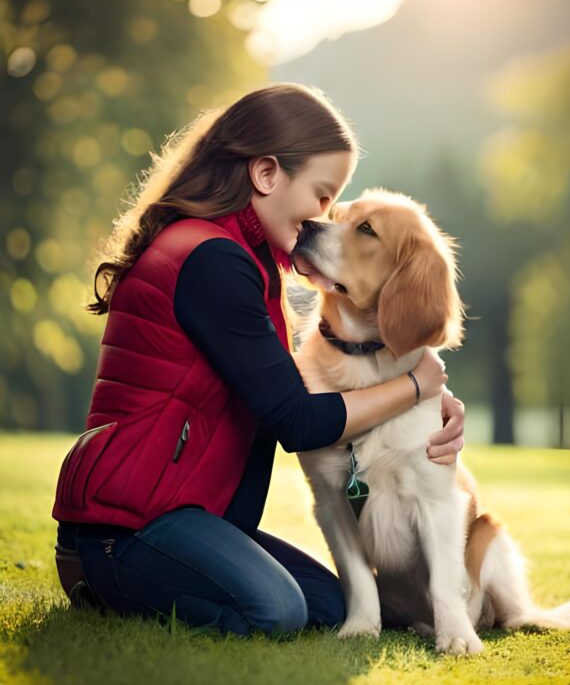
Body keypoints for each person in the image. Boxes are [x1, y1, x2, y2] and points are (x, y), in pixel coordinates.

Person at [52, 83, 467, 637]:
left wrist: (432, 404)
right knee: (277, 611)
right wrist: (416, 384)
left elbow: (305, 385)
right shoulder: (211, 260)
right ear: (266, 174)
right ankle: (108, 589)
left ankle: (150, 578)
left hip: (186, 514)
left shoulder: (241, 256)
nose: (323, 218)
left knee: (332, 606)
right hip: (126, 527)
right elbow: (295, 418)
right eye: (322, 196)